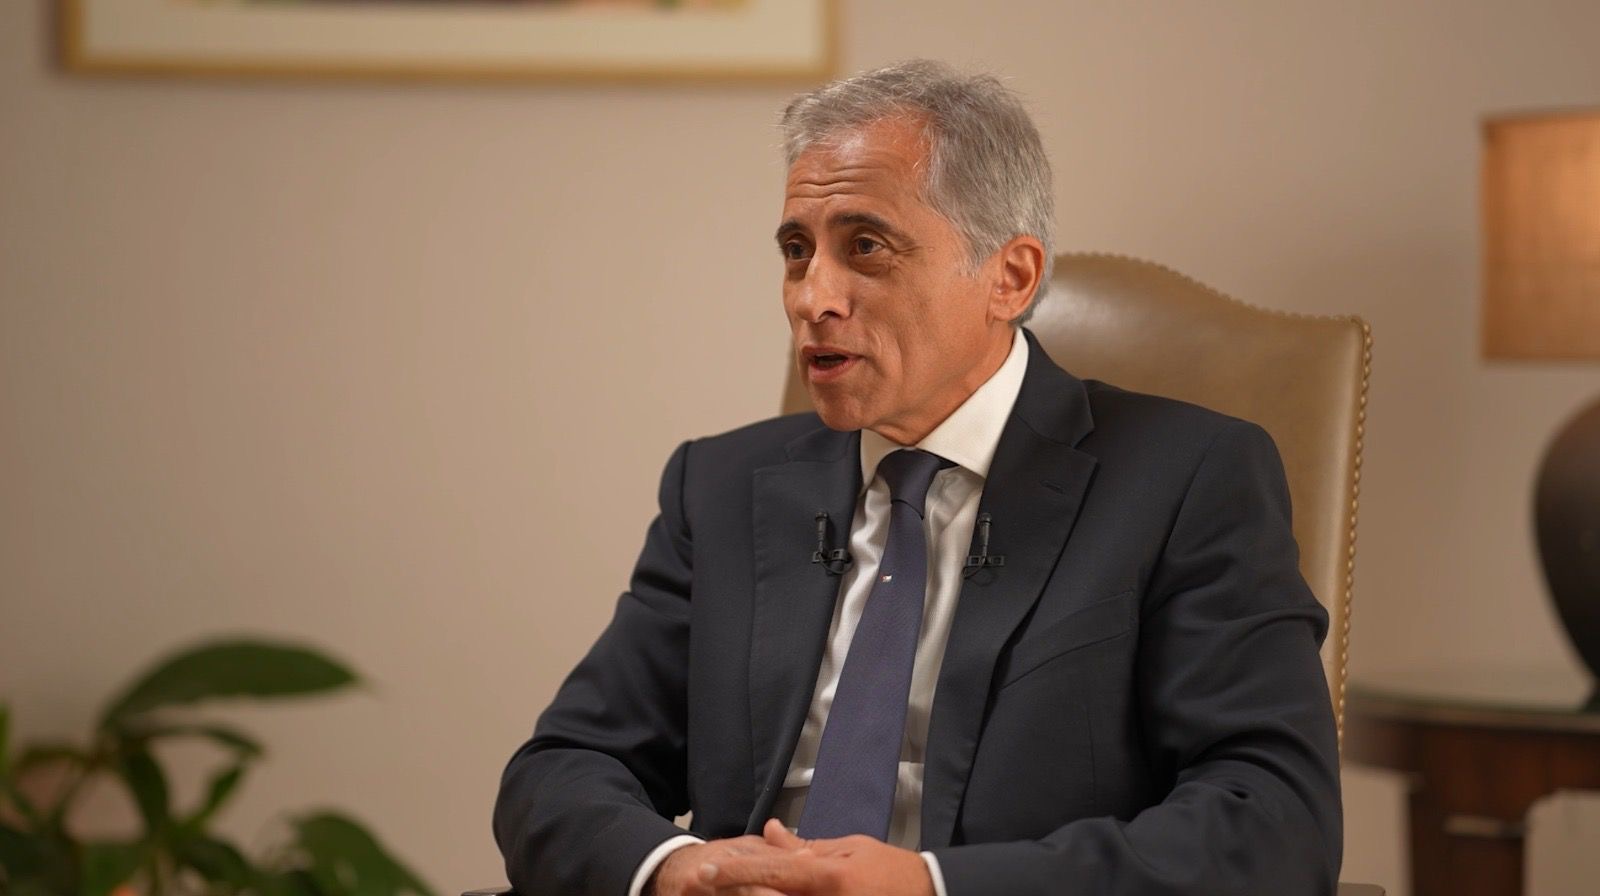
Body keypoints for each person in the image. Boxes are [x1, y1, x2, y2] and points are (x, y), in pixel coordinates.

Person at [494, 60, 1342, 896]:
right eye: (797, 251)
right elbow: (563, 769)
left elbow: (1273, 818)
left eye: (865, 247)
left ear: (1009, 278)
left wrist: (934, 886)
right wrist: (684, 868)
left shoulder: (1188, 479)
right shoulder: (719, 486)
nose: (812, 298)